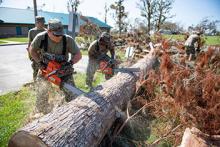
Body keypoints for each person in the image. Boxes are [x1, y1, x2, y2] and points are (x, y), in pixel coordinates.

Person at [29, 18, 82, 114]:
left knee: (72, 94)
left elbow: (78, 54)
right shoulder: (41, 38)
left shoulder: (67, 40)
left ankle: (73, 112)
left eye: (61, 34)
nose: (59, 37)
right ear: (49, 31)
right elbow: (32, 50)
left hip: (62, 70)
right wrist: (39, 62)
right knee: (41, 93)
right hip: (45, 69)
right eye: (56, 35)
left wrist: (70, 63)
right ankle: (42, 113)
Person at [27, 16, 46, 81]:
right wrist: (29, 55)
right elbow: (29, 43)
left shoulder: (46, 31)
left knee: (45, 69)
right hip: (35, 53)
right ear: (37, 22)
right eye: (42, 22)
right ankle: (35, 82)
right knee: (35, 69)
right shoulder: (31, 31)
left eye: (44, 22)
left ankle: (45, 84)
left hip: (44, 54)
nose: (43, 23)